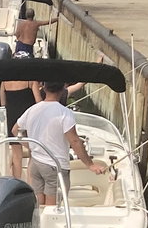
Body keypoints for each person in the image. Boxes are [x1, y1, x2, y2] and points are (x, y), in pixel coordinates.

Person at [11, 82, 106, 219]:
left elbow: (15, 131)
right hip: (54, 167)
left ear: (43, 88)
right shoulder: (64, 113)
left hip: (36, 164)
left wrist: (32, 146)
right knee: (52, 210)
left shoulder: (32, 109)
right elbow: (74, 141)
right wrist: (90, 165)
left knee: (38, 207)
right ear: (63, 89)